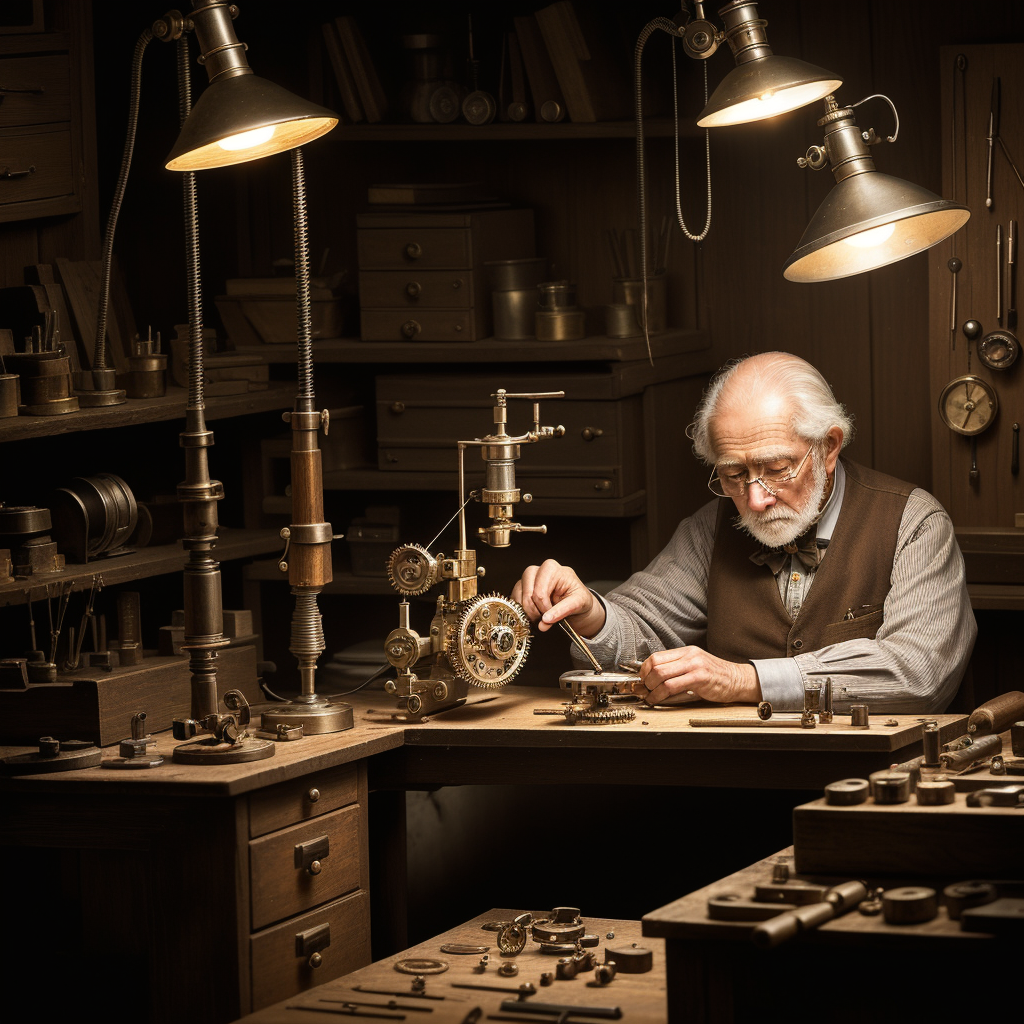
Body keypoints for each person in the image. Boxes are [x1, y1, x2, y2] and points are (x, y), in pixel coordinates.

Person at [511, 352, 976, 713]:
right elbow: (641, 629)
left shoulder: (914, 523)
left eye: (776, 469)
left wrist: (743, 680)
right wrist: (591, 612)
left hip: (872, 794)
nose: (755, 500)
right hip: (732, 791)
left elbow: (919, 672)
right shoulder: (709, 529)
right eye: (733, 475)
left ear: (828, 447)